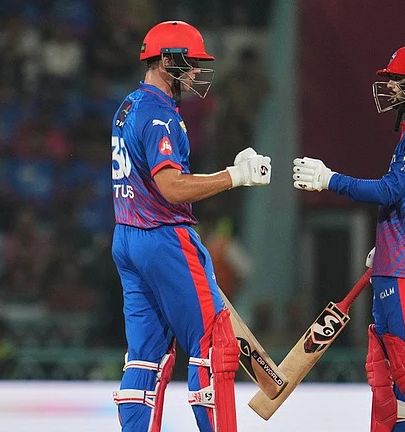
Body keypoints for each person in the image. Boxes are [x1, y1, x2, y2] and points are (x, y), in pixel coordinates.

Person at [292, 45, 405, 432]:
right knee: (391, 375)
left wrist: (329, 180)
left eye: (398, 80)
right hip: (402, 262)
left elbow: (391, 190)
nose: (390, 88)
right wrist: (390, 239)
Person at [109, 21, 272, 432]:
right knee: (212, 344)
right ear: (165, 61)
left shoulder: (128, 105)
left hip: (127, 236)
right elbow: (171, 187)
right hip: (164, 236)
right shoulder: (159, 116)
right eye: (190, 62)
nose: (196, 72)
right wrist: (235, 175)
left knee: (145, 356)